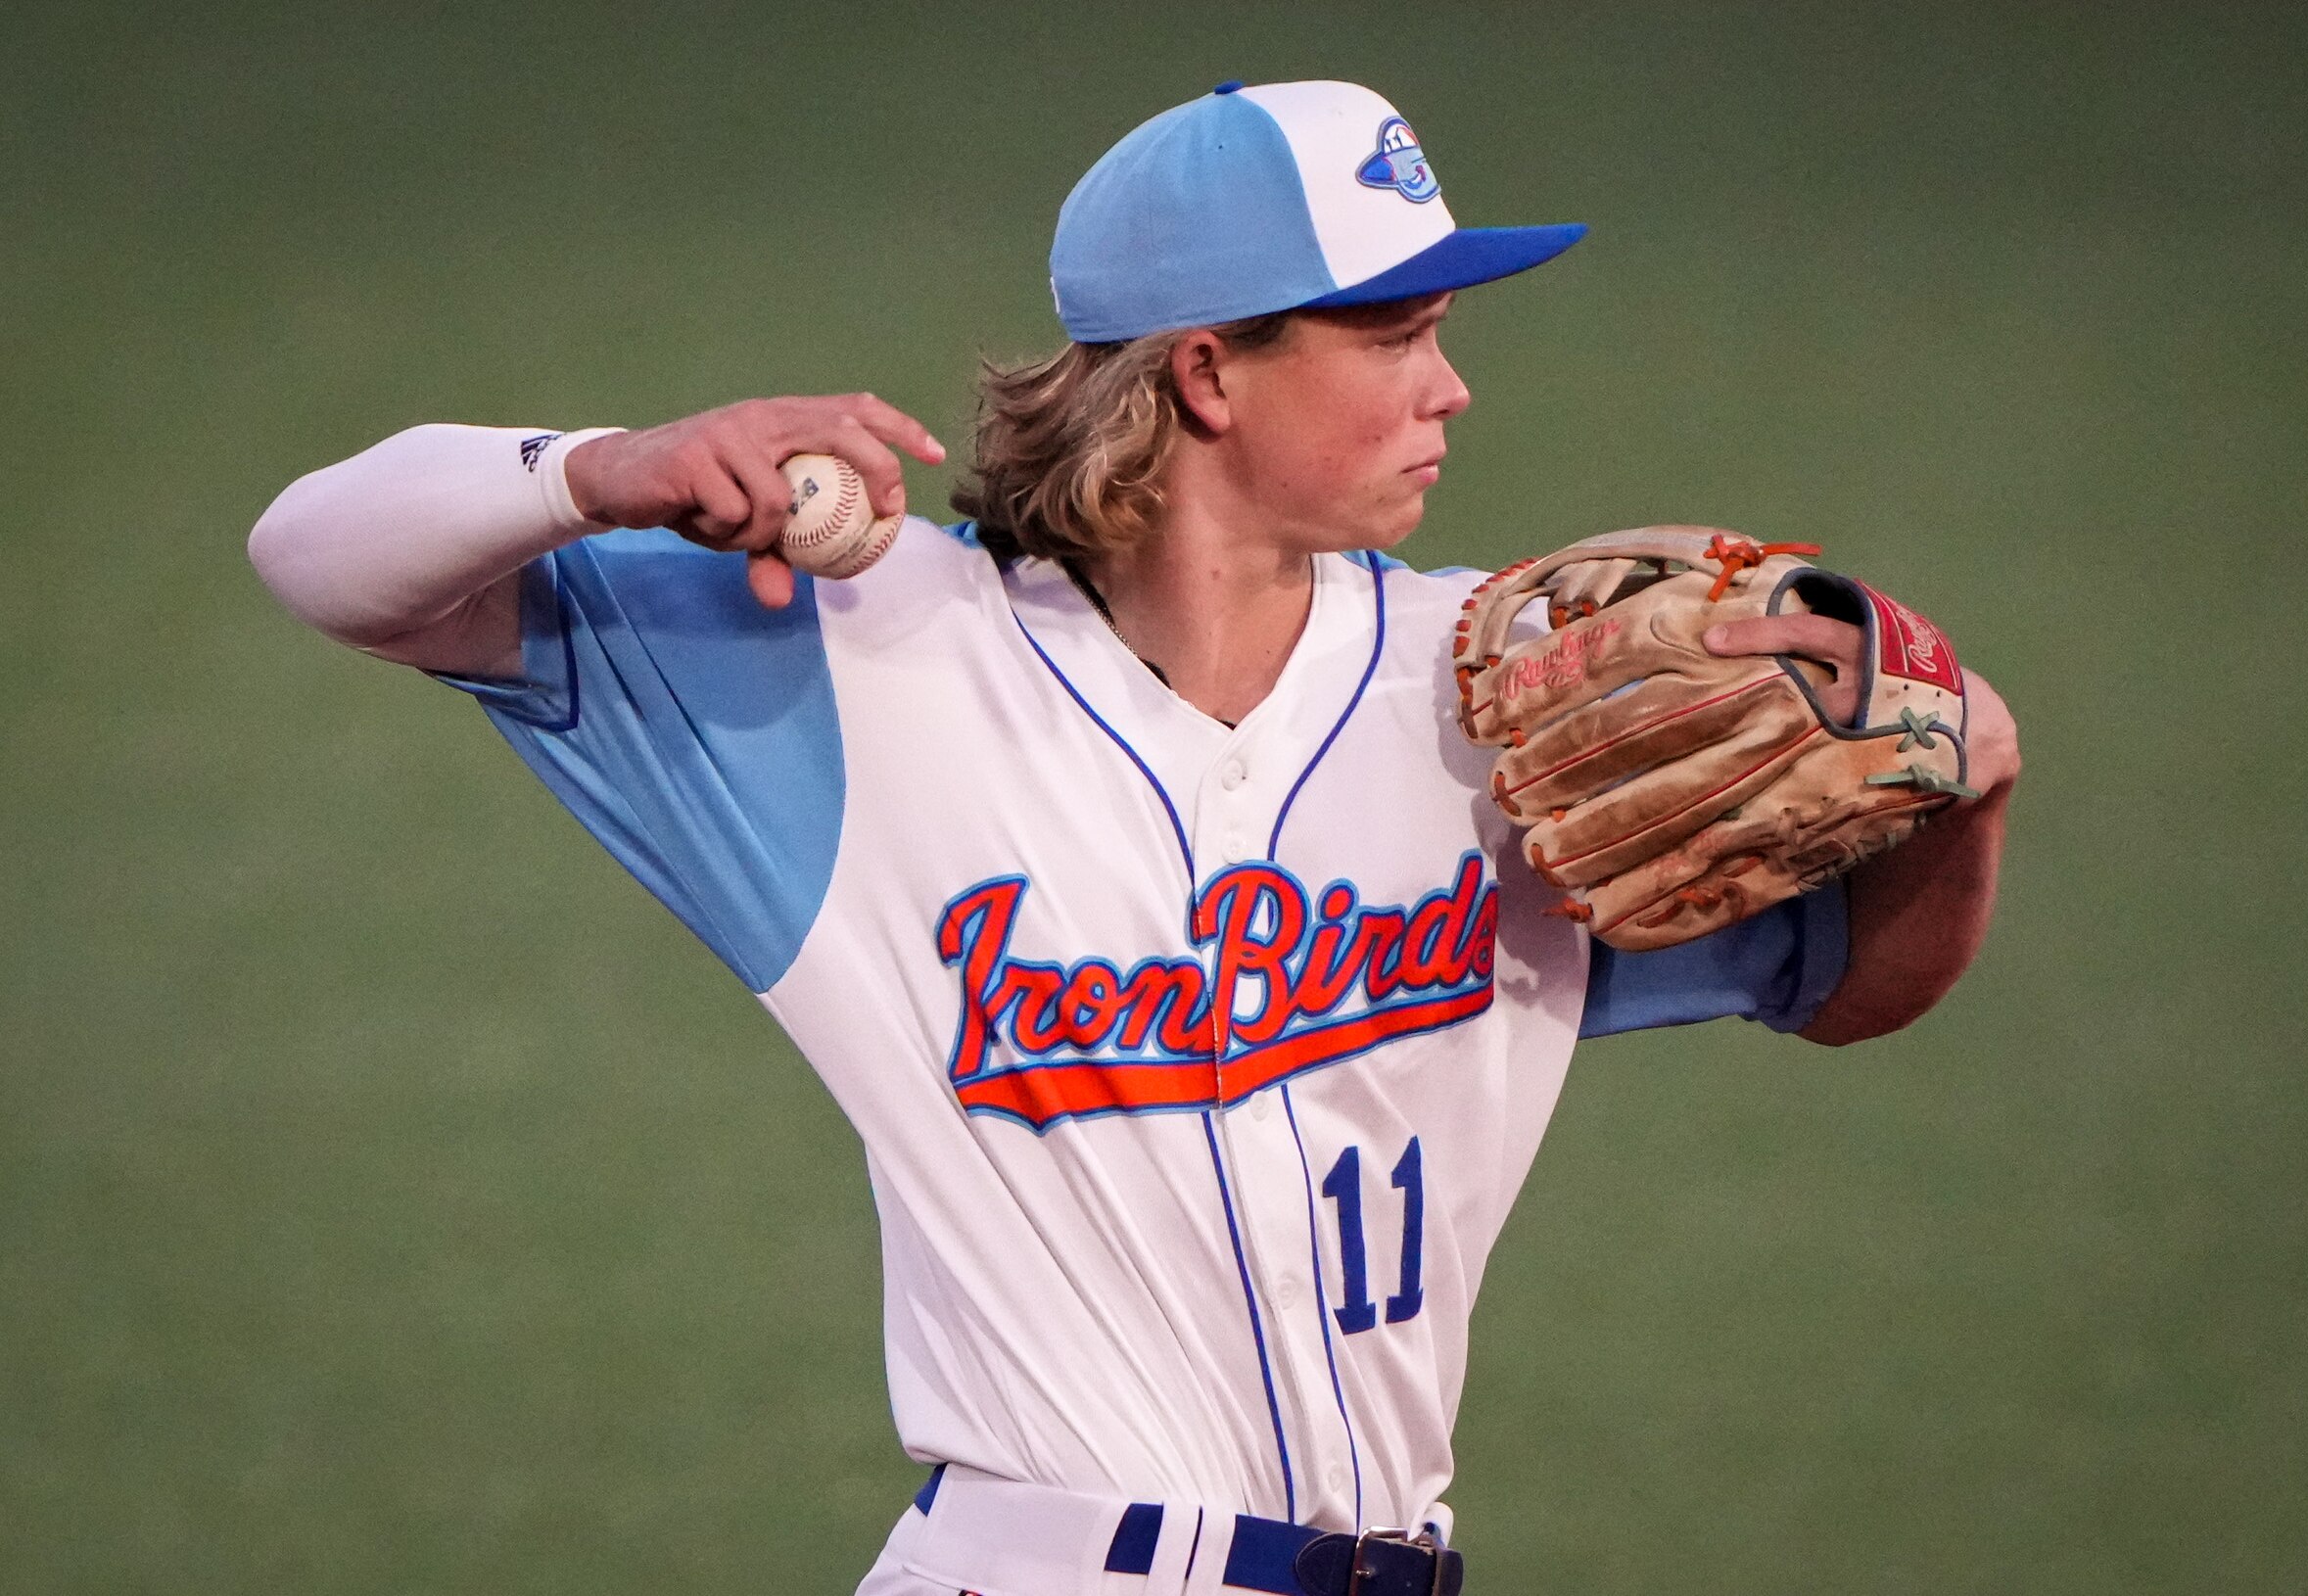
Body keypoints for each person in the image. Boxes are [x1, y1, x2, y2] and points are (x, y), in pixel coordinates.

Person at [250, 79, 2018, 1596]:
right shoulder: (862, 661)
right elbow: (320, 558)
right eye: (1393, 334)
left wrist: (1965, 799)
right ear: (1207, 374)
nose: (1449, 388)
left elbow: (1853, 987)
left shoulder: (1509, 695)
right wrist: (605, 468)